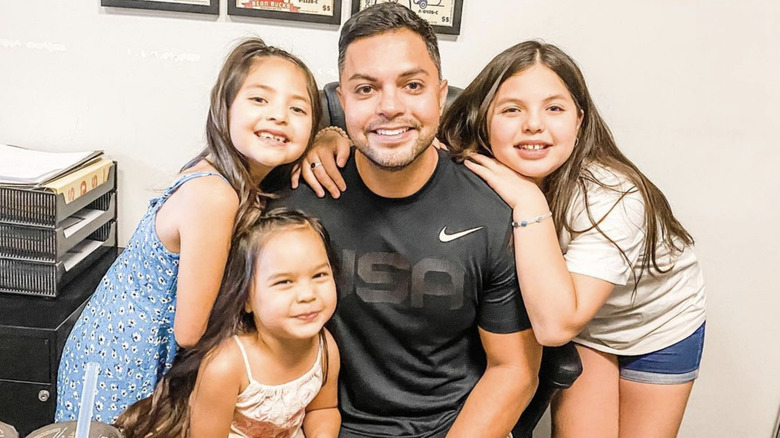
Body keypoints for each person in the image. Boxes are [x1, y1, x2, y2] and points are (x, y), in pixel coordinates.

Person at [273, 4, 542, 438]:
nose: (390, 107)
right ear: (342, 102)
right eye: (366, 90)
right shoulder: (296, 202)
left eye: (412, 85)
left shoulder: (492, 212)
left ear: (440, 93)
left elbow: (514, 370)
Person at [439, 41, 706, 438]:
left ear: (579, 119)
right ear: (484, 118)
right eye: (512, 109)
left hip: (656, 324)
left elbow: (553, 328)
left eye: (555, 108)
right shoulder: (474, 163)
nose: (533, 124)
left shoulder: (613, 196)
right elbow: (395, 130)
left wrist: (529, 199)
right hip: (580, 318)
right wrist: (331, 137)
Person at [55, 38, 322, 423]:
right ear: (224, 107)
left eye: (297, 108)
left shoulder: (227, 176)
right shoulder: (215, 195)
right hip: (127, 370)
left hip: (118, 356)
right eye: (259, 100)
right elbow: (190, 332)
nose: (279, 116)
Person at [116, 209, 341, 438]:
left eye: (319, 276)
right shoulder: (226, 367)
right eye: (284, 282)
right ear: (247, 299)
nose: (307, 294)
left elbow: (323, 409)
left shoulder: (325, 348)